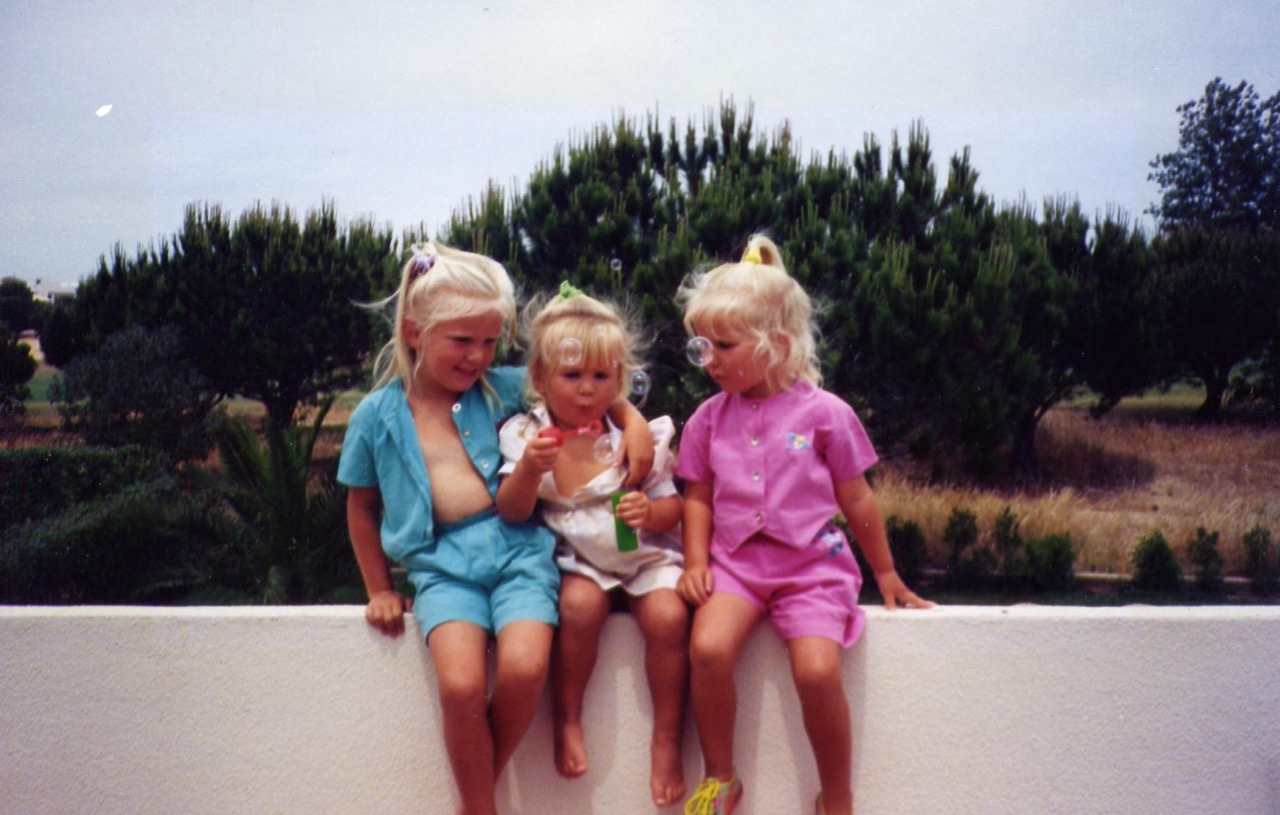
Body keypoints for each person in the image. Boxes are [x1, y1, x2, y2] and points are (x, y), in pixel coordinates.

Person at [337, 244, 654, 815]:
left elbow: (590, 393)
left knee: (526, 667)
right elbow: (361, 508)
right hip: (440, 566)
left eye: (489, 341)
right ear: (414, 332)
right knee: (459, 687)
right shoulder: (375, 416)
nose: (478, 356)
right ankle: (482, 806)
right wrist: (380, 588)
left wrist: (633, 424)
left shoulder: (507, 388)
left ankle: (473, 802)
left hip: (519, 553)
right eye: (462, 340)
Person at [674, 236, 934, 815]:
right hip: (736, 566)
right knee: (709, 649)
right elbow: (698, 497)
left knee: (817, 671)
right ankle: (722, 777)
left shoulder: (825, 414)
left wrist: (885, 572)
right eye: (701, 346)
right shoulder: (707, 419)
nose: (709, 359)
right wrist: (696, 562)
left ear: (776, 345)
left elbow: (857, 497)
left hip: (812, 568)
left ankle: (835, 794)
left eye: (724, 344)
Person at [496, 283, 690, 808]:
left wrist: (651, 513)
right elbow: (512, 509)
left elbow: (674, 506)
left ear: (621, 381)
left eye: (602, 376)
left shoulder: (637, 435)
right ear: (539, 378)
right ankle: (568, 718)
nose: (587, 388)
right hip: (581, 559)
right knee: (579, 608)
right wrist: (529, 473)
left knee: (670, 619)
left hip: (644, 555)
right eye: (572, 375)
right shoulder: (527, 436)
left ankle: (668, 737)